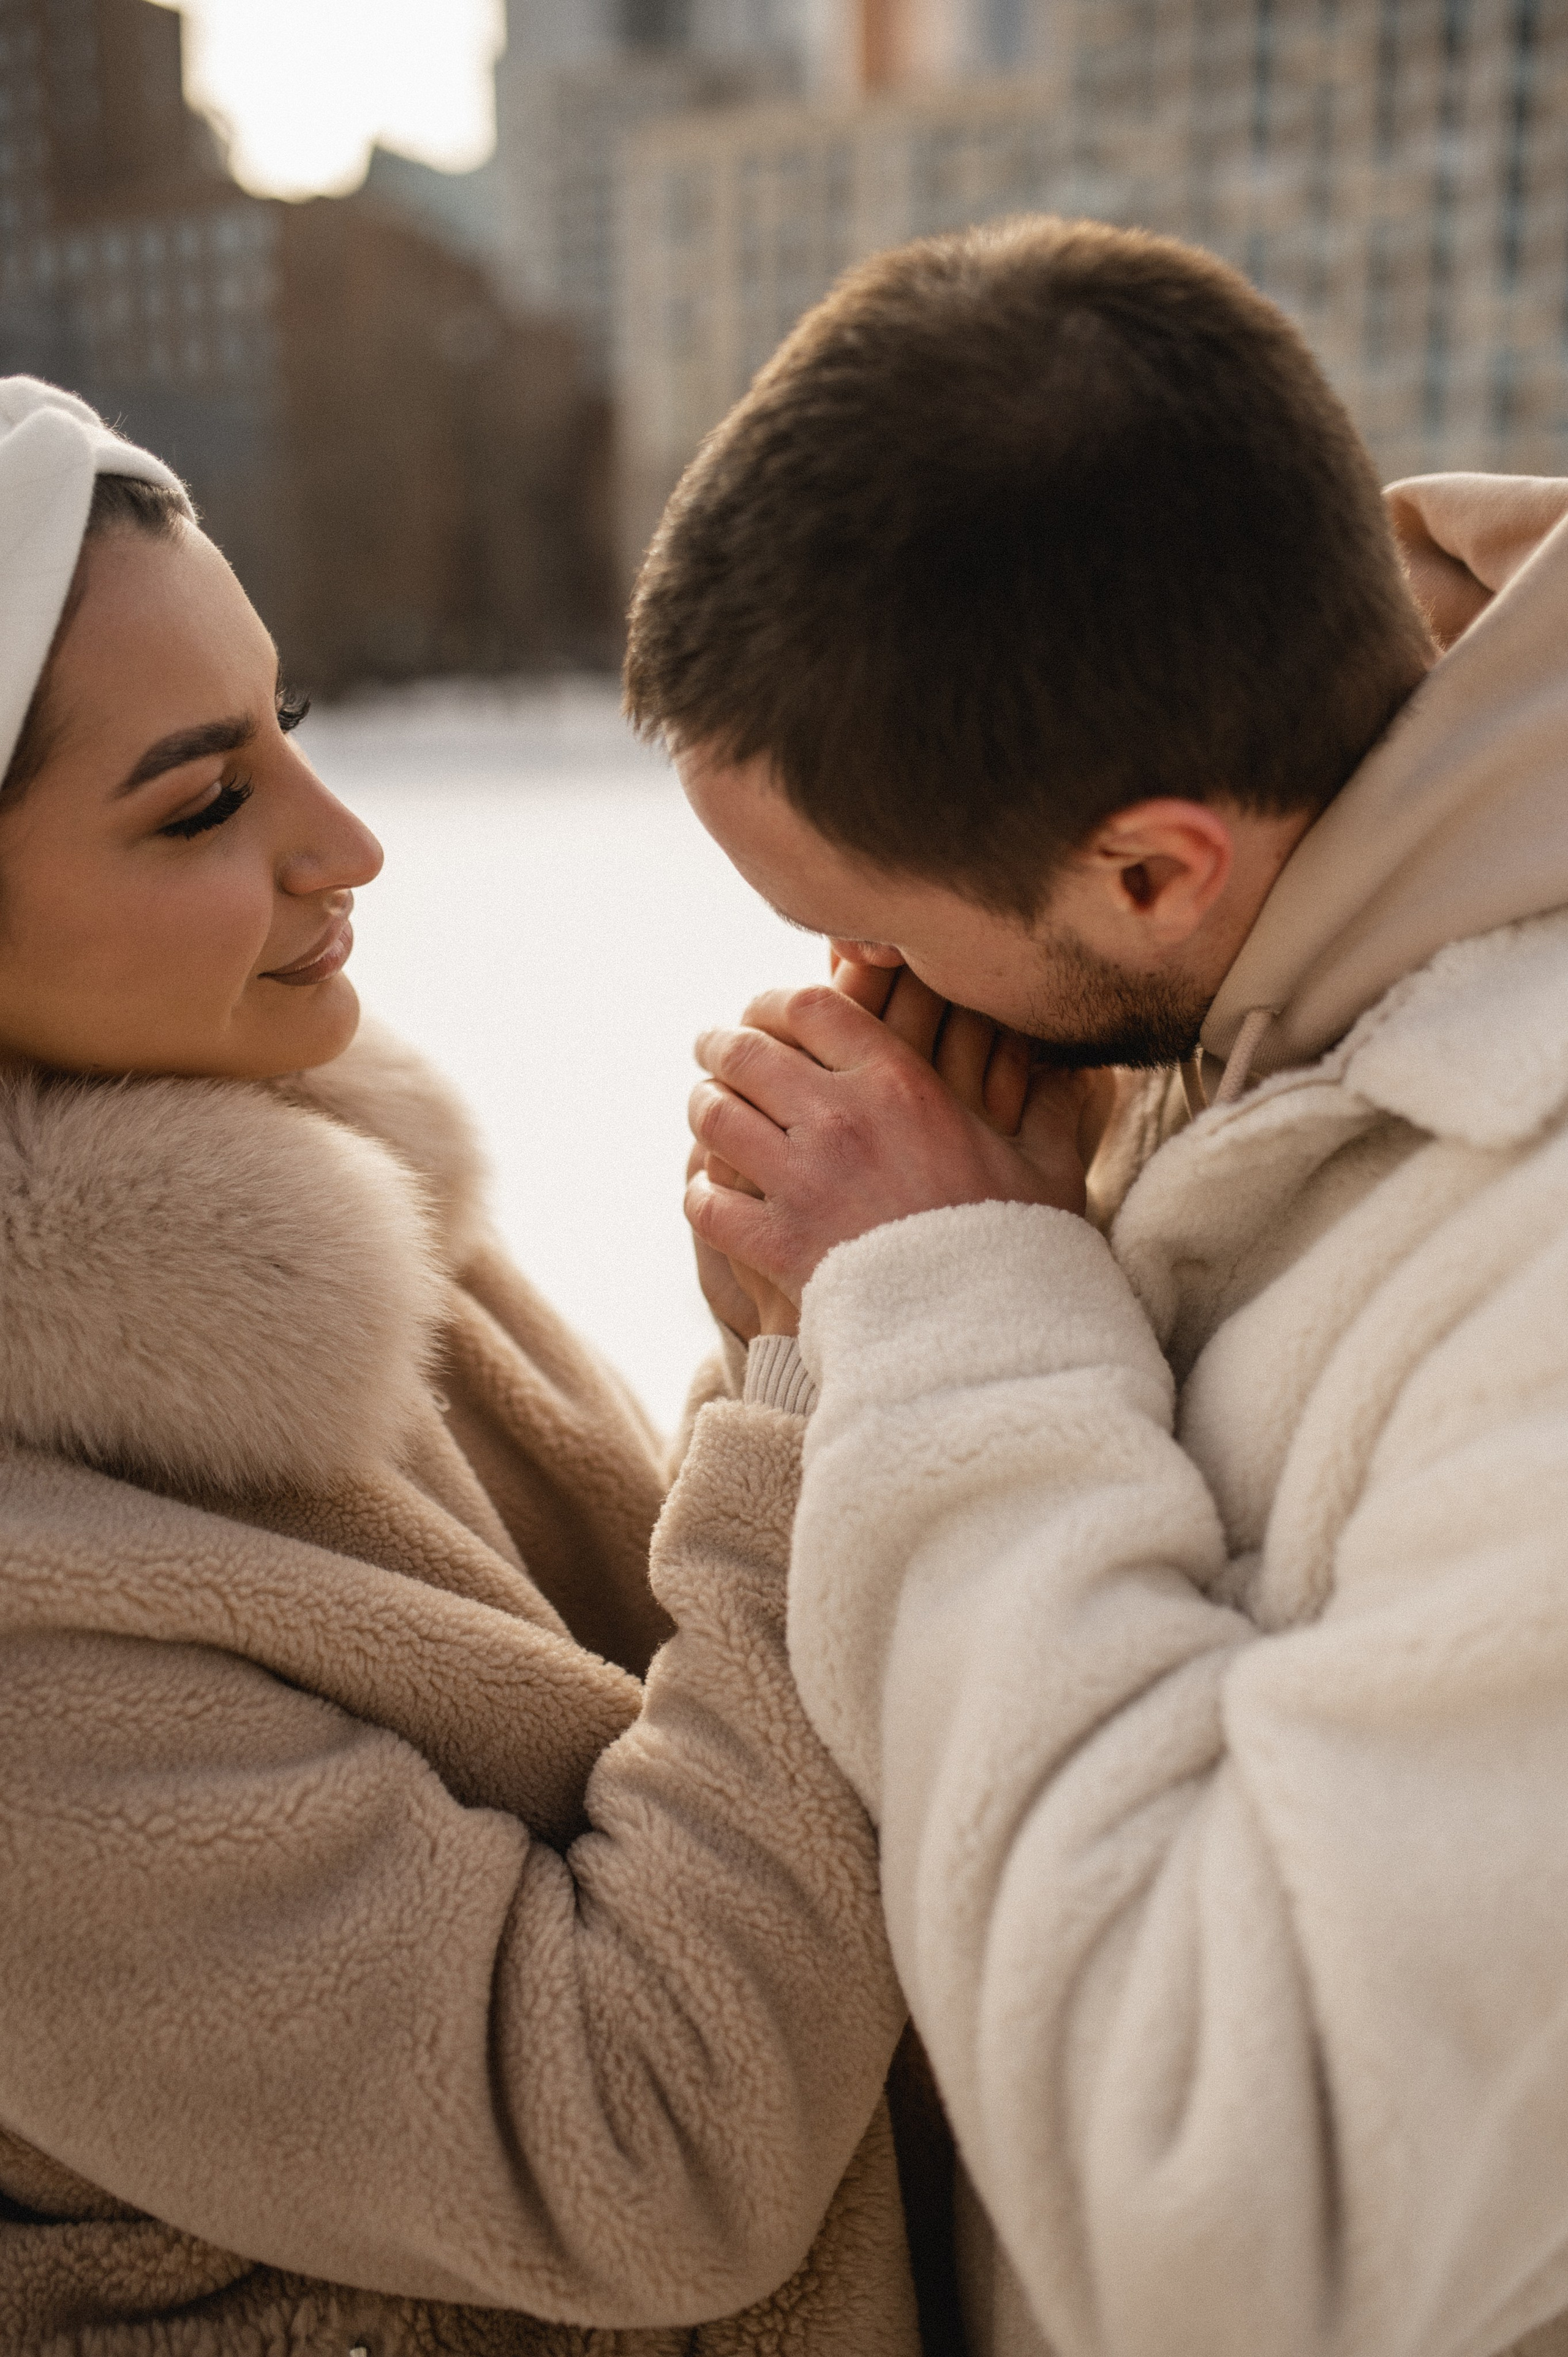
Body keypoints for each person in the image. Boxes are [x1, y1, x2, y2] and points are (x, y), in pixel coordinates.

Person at [624, 214, 1568, 2357]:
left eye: (879, 928)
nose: (857, 1002)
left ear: (1156, 866)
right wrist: (823, 1342)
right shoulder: (1276, 960)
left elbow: (1241, 2226)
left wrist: (950, 1307)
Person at [0, 377, 924, 2357]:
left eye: (290, 728)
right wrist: (810, 1405)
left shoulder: (290, 1186)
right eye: (202, 801)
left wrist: (787, 1328)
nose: (349, 845)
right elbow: (643, 2141)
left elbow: (643, 1692)